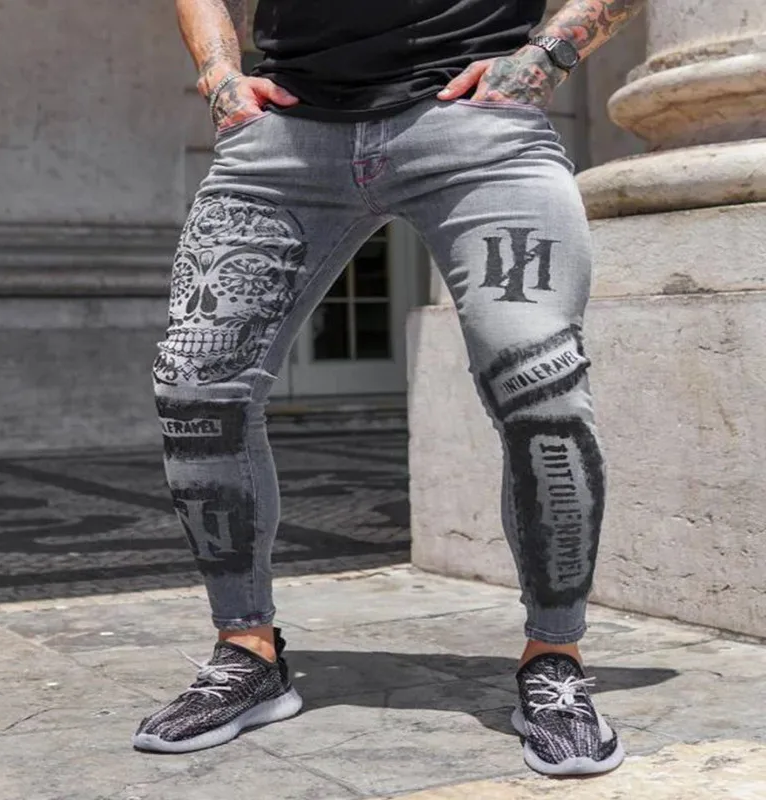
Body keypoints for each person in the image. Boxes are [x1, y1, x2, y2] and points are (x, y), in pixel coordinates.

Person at [134, 0, 644, 776]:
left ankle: (554, 659)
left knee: (542, 387)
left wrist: (548, 55)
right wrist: (220, 75)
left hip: (477, 130)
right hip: (285, 134)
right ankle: (247, 652)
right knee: (196, 387)